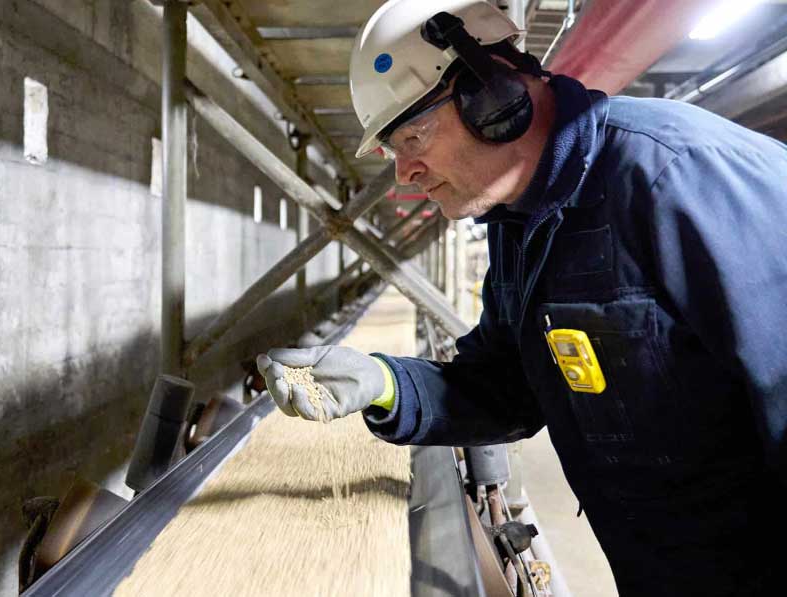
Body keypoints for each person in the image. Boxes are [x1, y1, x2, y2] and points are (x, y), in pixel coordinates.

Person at [257, 0, 787, 594]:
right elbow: (511, 387)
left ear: (494, 100)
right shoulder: (520, 226)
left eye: (412, 136)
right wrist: (384, 384)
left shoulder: (682, 177)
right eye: (391, 150)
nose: (404, 172)